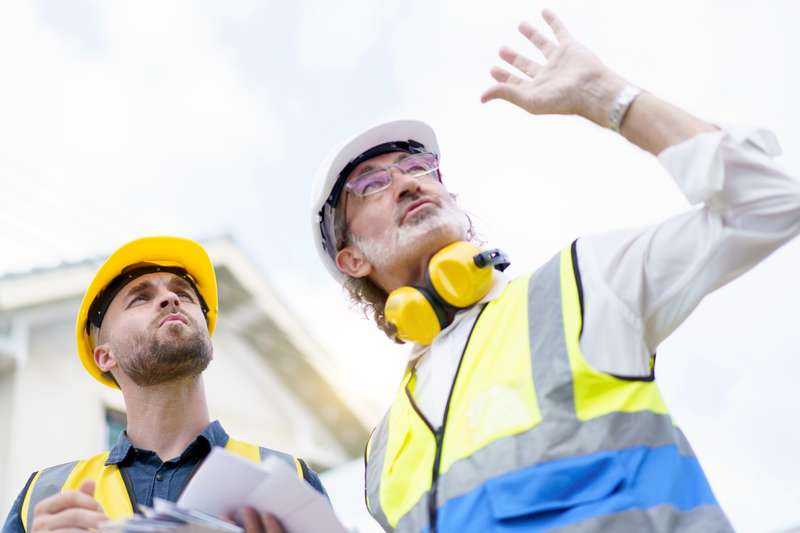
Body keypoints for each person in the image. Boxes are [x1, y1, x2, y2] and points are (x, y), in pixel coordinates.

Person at [309, 10, 800, 533]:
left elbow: (767, 204)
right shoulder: (381, 456)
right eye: (372, 184)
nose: (409, 183)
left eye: (417, 168)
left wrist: (610, 98)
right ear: (352, 260)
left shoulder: (582, 285)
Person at [2, 236, 326, 533]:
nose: (170, 298)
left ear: (208, 340)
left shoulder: (288, 480)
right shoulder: (45, 495)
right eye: (139, 298)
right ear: (105, 356)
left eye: (183, 294)